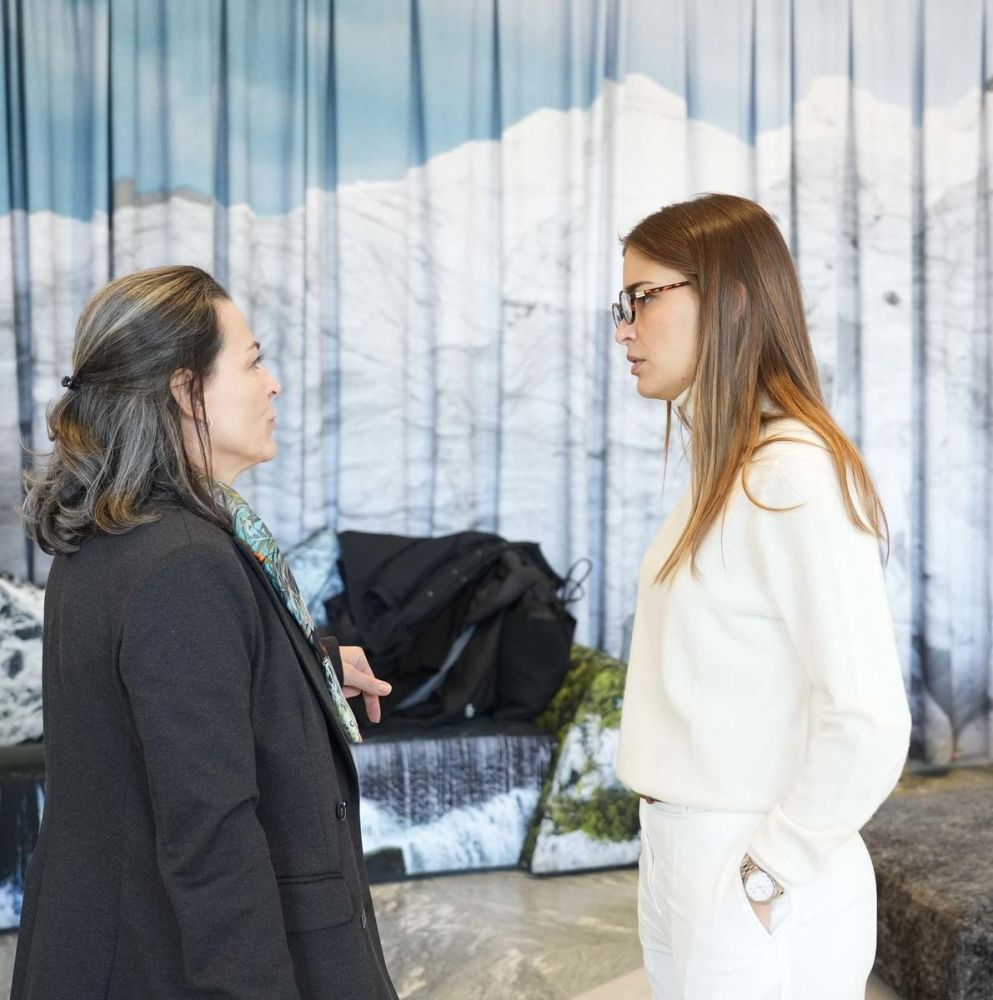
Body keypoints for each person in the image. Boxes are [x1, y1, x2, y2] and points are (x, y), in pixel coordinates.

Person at [13, 265, 399, 1000]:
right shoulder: (185, 563)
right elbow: (212, 840)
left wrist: (306, 667)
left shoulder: (118, 534)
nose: (272, 385)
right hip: (167, 964)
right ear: (185, 391)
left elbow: (153, 697)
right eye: (252, 363)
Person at [613, 194, 912, 1000]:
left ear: (731, 298)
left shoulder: (789, 474)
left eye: (642, 298)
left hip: (749, 866)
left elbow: (868, 716)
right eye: (622, 305)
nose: (624, 330)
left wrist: (764, 877)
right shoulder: (729, 471)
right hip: (683, 850)